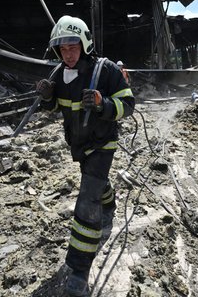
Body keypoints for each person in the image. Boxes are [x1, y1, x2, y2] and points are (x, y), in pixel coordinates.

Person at [35, 15, 135, 296]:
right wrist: (47, 98)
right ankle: (110, 201)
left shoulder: (107, 71)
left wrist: (104, 104)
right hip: (79, 146)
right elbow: (56, 109)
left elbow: (128, 105)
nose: (67, 54)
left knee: (87, 201)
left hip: (103, 144)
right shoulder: (58, 75)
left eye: (73, 47)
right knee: (96, 184)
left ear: (84, 44)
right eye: (62, 49)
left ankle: (79, 269)